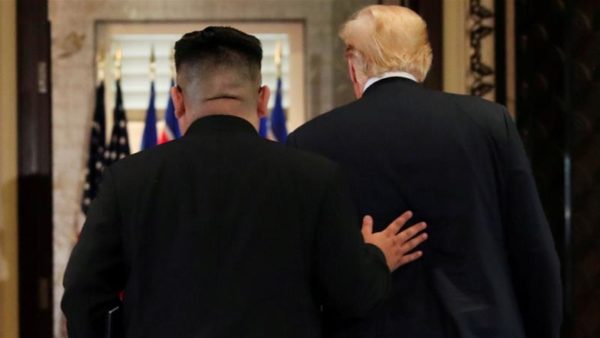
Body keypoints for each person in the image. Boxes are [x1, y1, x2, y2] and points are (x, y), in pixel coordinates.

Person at [61, 26, 428, 338]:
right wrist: (376, 256)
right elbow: (353, 297)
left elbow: (82, 293)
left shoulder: (127, 180)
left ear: (177, 100)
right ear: (264, 99)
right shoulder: (316, 177)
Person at [287, 5, 562, 338]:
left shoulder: (311, 140)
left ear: (352, 63)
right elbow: (532, 250)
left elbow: (301, 275)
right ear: (425, 59)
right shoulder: (489, 123)